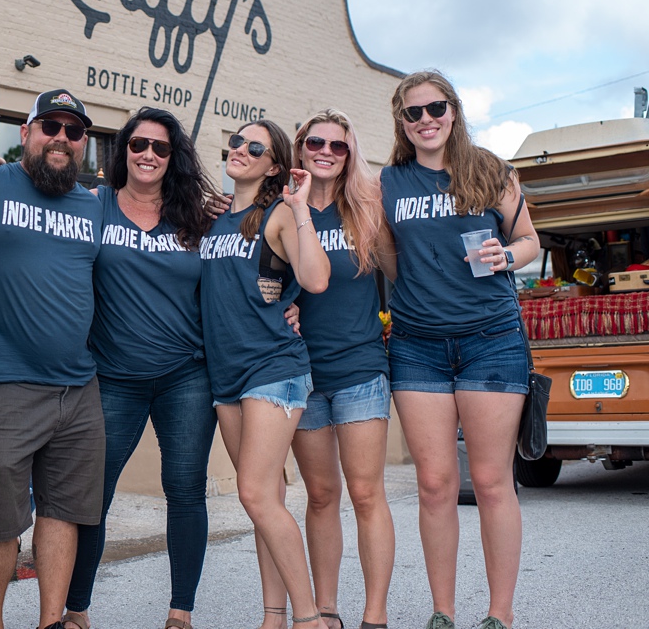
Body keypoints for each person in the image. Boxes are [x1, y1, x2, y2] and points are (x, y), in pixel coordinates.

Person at [0, 89, 104, 629]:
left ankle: (51, 621)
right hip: (5, 385)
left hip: (80, 388)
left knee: (63, 514)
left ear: (83, 145)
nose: (61, 138)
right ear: (25, 133)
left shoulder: (93, 204)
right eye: (49, 127)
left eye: (73, 131)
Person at [379, 71, 537, 629]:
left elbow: (529, 241)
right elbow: (387, 260)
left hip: (490, 339)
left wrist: (506, 257)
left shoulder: (490, 170)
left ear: (454, 110)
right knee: (435, 484)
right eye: (413, 112)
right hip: (418, 345)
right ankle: (442, 613)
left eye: (435, 108)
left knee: (493, 482)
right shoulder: (388, 182)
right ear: (400, 121)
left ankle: (499, 615)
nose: (426, 120)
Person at [62, 107, 218, 629]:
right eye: (138, 145)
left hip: (186, 376)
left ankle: (180, 613)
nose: (148, 154)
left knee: (185, 489)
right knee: (93, 496)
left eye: (161, 148)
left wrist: (287, 300)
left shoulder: (196, 216)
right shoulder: (91, 206)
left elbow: (255, 254)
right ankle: (77, 610)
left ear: (173, 158)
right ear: (122, 150)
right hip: (113, 378)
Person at [255, 110, 394, 629]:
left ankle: (374, 615)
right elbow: (263, 282)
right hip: (302, 372)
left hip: (360, 369)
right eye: (316, 142)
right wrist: (282, 307)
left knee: (365, 492)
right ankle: (327, 610)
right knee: (321, 495)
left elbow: (401, 278)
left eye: (338, 145)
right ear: (300, 147)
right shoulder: (281, 210)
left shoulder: (367, 212)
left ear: (350, 153)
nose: (327, 151)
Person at [199, 119, 330, 629]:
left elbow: (315, 279)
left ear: (274, 165)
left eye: (255, 146)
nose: (240, 149)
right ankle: (272, 617)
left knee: (253, 492)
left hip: (273, 368)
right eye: (236, 141)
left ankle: (308, 618)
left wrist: (300, 207)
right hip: (226, 373)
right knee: (264, 500)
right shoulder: (216, 220)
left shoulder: (275, 214)